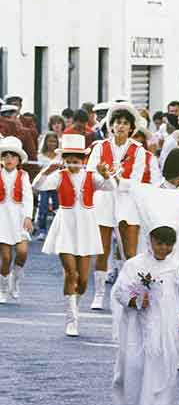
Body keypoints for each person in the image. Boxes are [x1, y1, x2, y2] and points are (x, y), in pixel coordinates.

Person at [113, 185, 179, 405]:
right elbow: (119, 292)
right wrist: (135, 301)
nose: (163, 250)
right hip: (138, 326)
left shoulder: (176, 266)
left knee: (162, 368)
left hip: (164, 327)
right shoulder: (135, 264)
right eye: (159, 244)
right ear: (150, 241)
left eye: (169, 245)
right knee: (135, 366)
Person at [32, 134, 114, 337]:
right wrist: (48, 169)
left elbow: (111, 187)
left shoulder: (91, 176)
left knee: (84, 280)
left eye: (76, 159)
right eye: (68, 159)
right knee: (71, 273)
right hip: (66, 225)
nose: (73, 163)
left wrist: (105, 175)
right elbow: (37, 186)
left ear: (83, 160)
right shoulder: (59, 176)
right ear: (64, 159)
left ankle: (74, 305)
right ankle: (71, 318)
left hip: (86, 226)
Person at [86, 102, 145, 310]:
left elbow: (135, 181)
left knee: (129, 252)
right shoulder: (100, 147)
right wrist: (103, 177)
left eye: (125, 123)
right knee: (101, 250)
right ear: (110, 126)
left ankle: (126, 291)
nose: (120, 127)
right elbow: (91, 177)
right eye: (117, 123)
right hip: (104, 200)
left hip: (128, 203)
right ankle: (99, 294)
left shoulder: (138, 150)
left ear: (131, 128)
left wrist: (118, 181)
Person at [0, 137, 33, 303]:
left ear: (18, 159)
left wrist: (28, 217)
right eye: (5, 156)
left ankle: (15, 280)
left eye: (12, 156)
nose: (8, 159)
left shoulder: (23, 176)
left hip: (19, 217)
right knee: (5, 257)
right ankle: (4, 287)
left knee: (22, 252)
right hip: (2, 218)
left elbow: (28, 198)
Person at [36, 131, 60, 239]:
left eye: (54, 141)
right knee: (43, 209)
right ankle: (42, 231)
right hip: (44, 185)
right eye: (50, 141)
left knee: (57, 209)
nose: (52, 144)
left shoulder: (60, 155)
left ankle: (57, 231)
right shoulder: (40, 156)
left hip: (57, 185)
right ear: (45, 142)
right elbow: (40, 171)